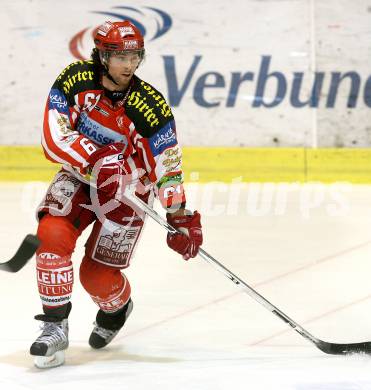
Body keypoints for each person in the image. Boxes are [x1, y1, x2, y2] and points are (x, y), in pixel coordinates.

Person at [30, 20, 203, 369]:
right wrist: (97, 160)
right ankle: (54, 327)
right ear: (103, 55)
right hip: (80, 177)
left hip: (128, 191)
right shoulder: (75, 79)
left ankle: (118, 308)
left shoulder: (149, 105)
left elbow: (167, 166)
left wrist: (180, 216)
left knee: (96, 277)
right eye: (120, 56)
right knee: (51, 236)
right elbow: (53, 136)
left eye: (135, 56)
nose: (129, 64)